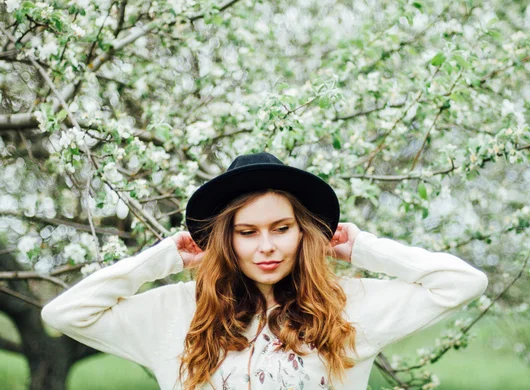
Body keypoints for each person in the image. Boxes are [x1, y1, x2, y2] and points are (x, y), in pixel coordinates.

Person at [41, 152, 488, 390]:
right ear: (226, 240)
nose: (267, 246)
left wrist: (363, 249)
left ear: (302, 232)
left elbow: (463, 283)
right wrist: (163, 259)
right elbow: (64, 314)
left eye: (282, 228)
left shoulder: (350, 306)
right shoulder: (177, 312)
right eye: (247, 232)